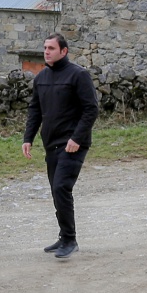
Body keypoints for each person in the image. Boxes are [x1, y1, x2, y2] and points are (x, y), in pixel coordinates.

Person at [23, 34, 99, 260]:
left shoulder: (78, 75)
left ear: (63, 51)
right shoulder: (42, 77)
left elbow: (91, 109)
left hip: (73, 144)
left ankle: (70, 239)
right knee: (56, 191)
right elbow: (35, 110)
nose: (46, 51)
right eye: (45, 47)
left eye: (51, 48)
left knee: (61, 188)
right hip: (51, 144)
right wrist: (28, 138)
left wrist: (76, 138)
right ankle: (64, 236)